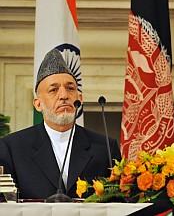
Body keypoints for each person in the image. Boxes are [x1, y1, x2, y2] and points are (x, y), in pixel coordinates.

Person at [0, 49, 121, 200]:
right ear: (38, 104)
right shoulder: (12, 148)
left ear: (80, 98)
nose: (64, 96)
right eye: (53, 90)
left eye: (70, 88)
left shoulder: (106, 148)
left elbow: (120, 201)